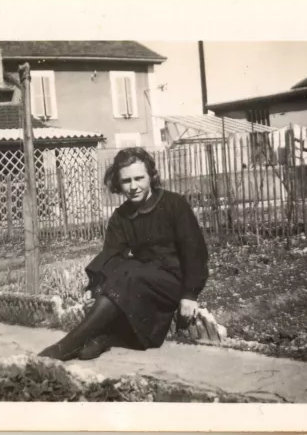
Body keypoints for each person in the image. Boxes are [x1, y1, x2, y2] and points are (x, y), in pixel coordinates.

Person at [38, 147, 209, 361]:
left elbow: (195, 252)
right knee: (124, 272)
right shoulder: (121, 216)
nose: (134, 187)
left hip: (171, 282)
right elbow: (111, 254)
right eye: (127, 181)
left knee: (130, 274)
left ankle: (67, 345)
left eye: (139, 178)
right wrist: (96, 286)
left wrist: (190, 295)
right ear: (119, 183)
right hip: (139, 282)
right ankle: (105, 339)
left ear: (151, 177)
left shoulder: (174, 205)